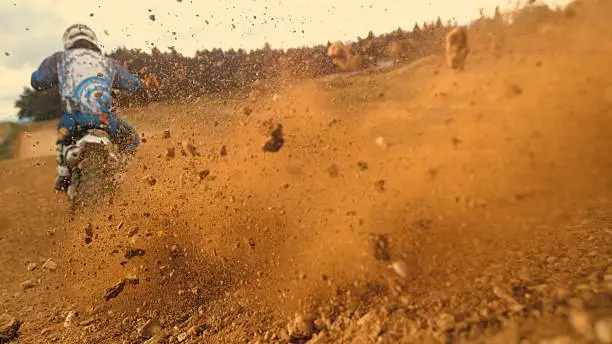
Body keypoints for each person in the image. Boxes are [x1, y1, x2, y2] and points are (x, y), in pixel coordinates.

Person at [30, 24, 143, 192]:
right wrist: (137, 86)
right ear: (93, 41)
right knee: (132, 138)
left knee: (63, 135)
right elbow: (133, 84)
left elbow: (38, 81)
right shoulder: (109, 63)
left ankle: (62, 172)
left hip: (72, 120)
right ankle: (118, 174)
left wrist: (54, 80)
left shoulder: (59, 59)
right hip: (105, 120)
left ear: (68, 41)